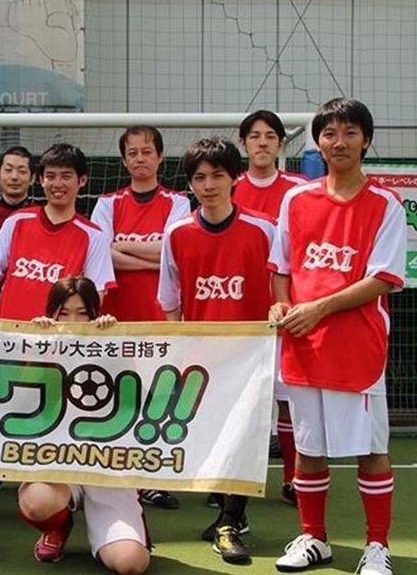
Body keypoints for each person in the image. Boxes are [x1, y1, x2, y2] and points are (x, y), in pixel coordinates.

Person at [270, 98, 404, 575]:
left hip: (357, 349)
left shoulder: (385, 204)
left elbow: (382, 278)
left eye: (350, 132)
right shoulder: (295, 200)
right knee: (308, 450)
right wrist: (283, 305)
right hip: (303, 346)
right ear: (318, 143)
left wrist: (317, 309)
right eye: (329, 133)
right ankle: (314, 537)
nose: (339, 142)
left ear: (366, 140)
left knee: (371, 450)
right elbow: (282, 267)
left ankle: (377, 546)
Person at [158, 137, 276, 564]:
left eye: (217, 176)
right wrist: (182, 347)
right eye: (200, 177)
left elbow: (281, 286)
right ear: (190, 183)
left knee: (242, 436)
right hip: (203, 359)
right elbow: (169, 297)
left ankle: (229, 522)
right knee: (211, 436)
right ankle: (231, 515)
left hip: (251, 356)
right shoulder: (177, 233)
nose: (208, 185)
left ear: (235, 178)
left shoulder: (265, 229)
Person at [20, 276, 149, 574]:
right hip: (57, 459)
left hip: (107, 463)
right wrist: (37, 349)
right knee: (37, 501)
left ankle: (134, 528)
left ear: (95, 314)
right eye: (63, 313)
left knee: (131, 564)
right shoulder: (39, 341)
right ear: (50, 313)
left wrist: (115, 344)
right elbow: (20, 402)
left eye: (82, 313)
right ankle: (58, 526)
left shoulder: (111, 341)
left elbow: (135, 399)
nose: (73, 322)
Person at [91, 126, 190, 511]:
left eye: (147, 151)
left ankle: (152, 478)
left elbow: (174, 250)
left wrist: (123, 247)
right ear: (123, 160)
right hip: (115, 318)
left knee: (158, 398)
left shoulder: (177, 202)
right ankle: (118, 477)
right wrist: (152, 257)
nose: (140, 158)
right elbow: (101, 251)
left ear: (160, 157)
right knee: (120, 397)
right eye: (132, 153)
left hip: (160, 315)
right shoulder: (107, 203)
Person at [236, 110, 306, 506]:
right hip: (241, 309)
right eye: (254, 136)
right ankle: (231, 483)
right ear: (243, 143)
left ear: (280, 143)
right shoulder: (227, 187)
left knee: (288, 398)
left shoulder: (299, 190)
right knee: (237, 396)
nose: (262, 142)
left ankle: (294, 479)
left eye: (269, 136)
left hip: (288, 308)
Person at [0, 143, 115, 321]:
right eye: (50, 176)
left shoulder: (94, 236)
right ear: (41, 180)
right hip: (8, 333)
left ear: (82, 180)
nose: (57, 184)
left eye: (66, 176)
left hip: (57, 336)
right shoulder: (16, 221)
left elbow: (94, 296)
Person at [0, 146, 35, 238]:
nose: (14, 177)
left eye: (22, 171)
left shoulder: (40, 217)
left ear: (32, 178)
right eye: (8, 170)